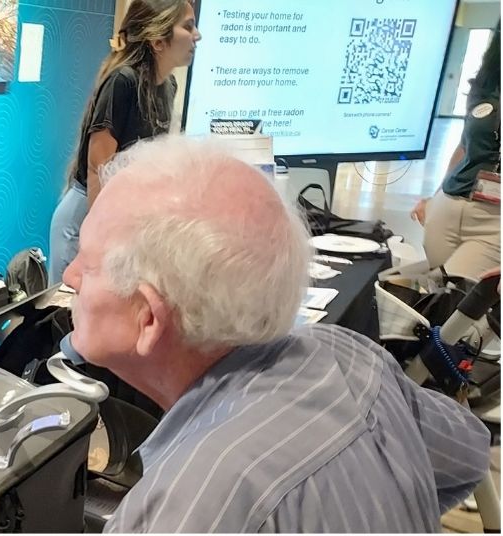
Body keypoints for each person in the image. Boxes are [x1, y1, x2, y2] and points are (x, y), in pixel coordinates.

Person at [63, 135, 492, 532]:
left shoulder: (182, 506)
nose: (70, 274)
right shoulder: (351, 356)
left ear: (149, 320)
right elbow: (469, 454)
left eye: (87, 261)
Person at [48, 0, 200, 284]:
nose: (197, 36)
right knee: (72, 321)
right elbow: (98, 170)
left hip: (120, 218)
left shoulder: (168, 86)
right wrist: (101, 238)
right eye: (188, 26)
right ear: (157, 39)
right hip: (87, 218)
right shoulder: (123, 81)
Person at [412, 26, 500, 281]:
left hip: (494, 222)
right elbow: (465, 147)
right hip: (447, 208)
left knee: (461, 306)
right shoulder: (487, 85)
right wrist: (434, 196)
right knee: (437, 297)